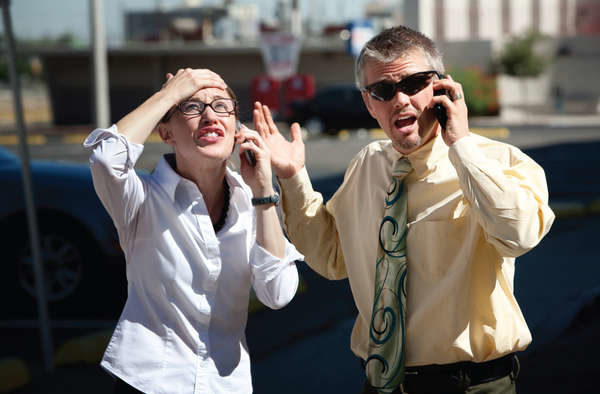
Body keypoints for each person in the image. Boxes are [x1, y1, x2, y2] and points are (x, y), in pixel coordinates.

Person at [254, 26, 555, 394]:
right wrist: (291, 176)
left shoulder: (500, 161)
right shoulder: (367, 165)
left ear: (441, 87)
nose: (400, 99)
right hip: (381, 384)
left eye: (414, 83)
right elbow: (331, 256)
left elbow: (519, 234)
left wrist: (461, 148)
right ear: (369, 103)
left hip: (471, 385)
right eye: (383, 90)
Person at [83, 68, 302, 394]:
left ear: (236, 129)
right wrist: (169, 94)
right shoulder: (142, 198)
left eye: (221, 106)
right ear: (167, 133)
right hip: (148, 383)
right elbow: (106, 160)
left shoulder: (252, 200)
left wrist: (264, 190)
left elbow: (278, 293)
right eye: (192, 107)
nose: (210, 115)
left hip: (226, 385)